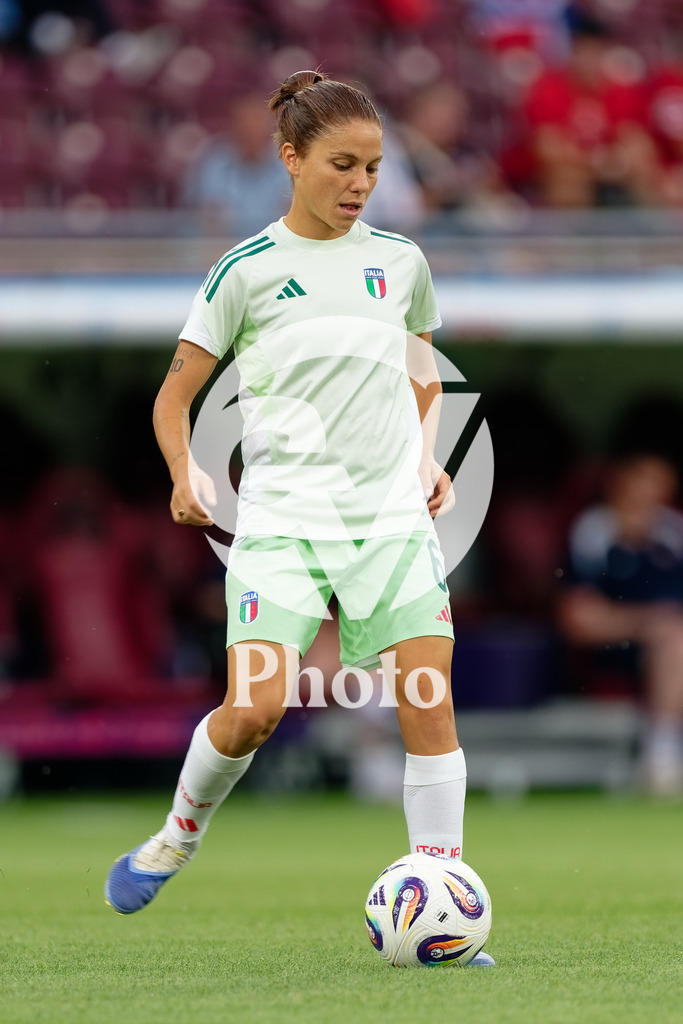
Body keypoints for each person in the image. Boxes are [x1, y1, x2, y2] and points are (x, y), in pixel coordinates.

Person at [104, 70, 494, 966]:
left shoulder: (401, 261)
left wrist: (427, 453)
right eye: (342, 164)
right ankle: (177, 834)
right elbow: (174, 399)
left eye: (373, 166)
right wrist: (183, 470)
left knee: (426, 701)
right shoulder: (245, 271)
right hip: (281, 525)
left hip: (391, 523)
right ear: (291, 160)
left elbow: (421, 367)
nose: (360, 183)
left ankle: (440, 905)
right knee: (256, 713)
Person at [558, 449, 683, 796]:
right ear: (619, 482)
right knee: (675, 641)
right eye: (641, 480)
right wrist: (648, 623)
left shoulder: (673, 532)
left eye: (659, 483)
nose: (649, 492)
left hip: (667, 641)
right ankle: (662, 755)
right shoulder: (592, 532)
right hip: (616, 648)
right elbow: (578, 617)